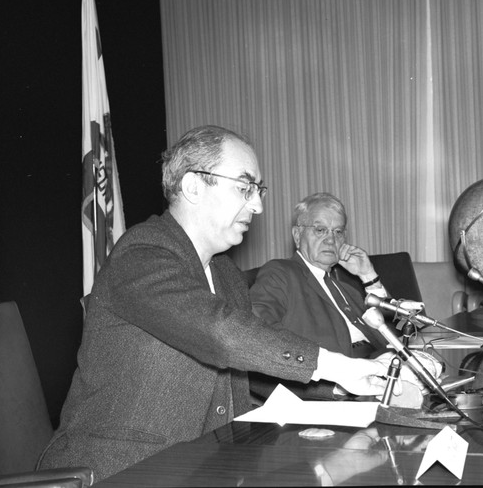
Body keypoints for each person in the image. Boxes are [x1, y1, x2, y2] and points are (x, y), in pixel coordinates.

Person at [37, 126, 392, 482]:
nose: (257, 205)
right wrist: (336, 366)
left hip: (204, 465)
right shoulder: (141, 252)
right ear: (193, 186)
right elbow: (220, 333)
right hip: (119, 470)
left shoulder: (226, 274)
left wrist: (348, 386)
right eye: (244, 187)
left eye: (258, 190)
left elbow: (252, 364)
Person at [248, 192, 394, 401]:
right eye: (320, 230)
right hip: (338, 392)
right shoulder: (280, 273)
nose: (331, 239)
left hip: (382, 376)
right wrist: (334, 387)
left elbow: (391, 333)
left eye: (338, 232)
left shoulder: (347, 288)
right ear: (297, 235)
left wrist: (368, 276)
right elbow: (259, 334)